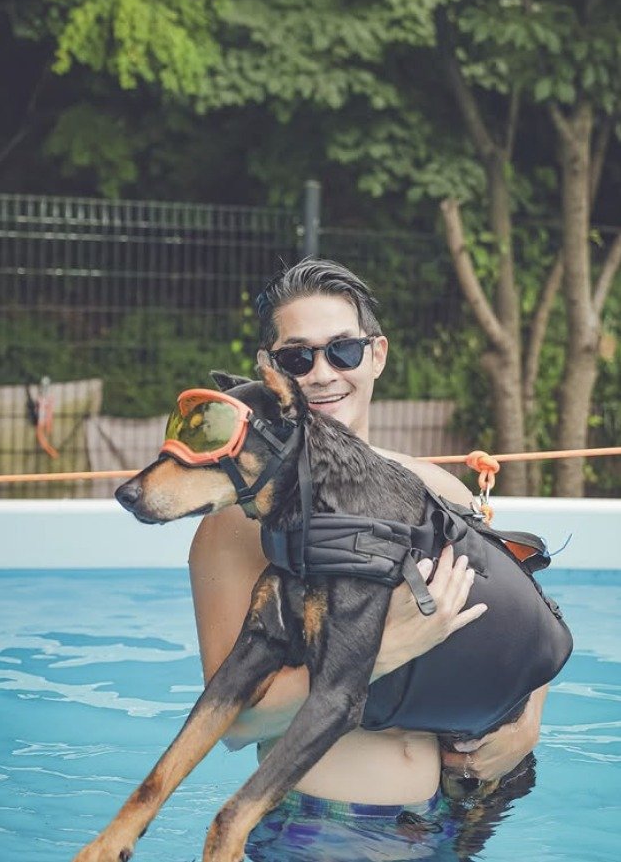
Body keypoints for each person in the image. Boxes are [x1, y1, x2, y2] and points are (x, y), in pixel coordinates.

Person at [188, 258, 547, 857]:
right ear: (272, 373)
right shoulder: (237, 525)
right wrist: (386, 649)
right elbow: (235, 724)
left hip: (448, 822)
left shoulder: (440, 491)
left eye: (344, 351)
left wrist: (527, 724)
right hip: (324, 830)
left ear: (376, 355)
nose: (323, 374)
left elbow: (524, 618)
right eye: (298, 358)